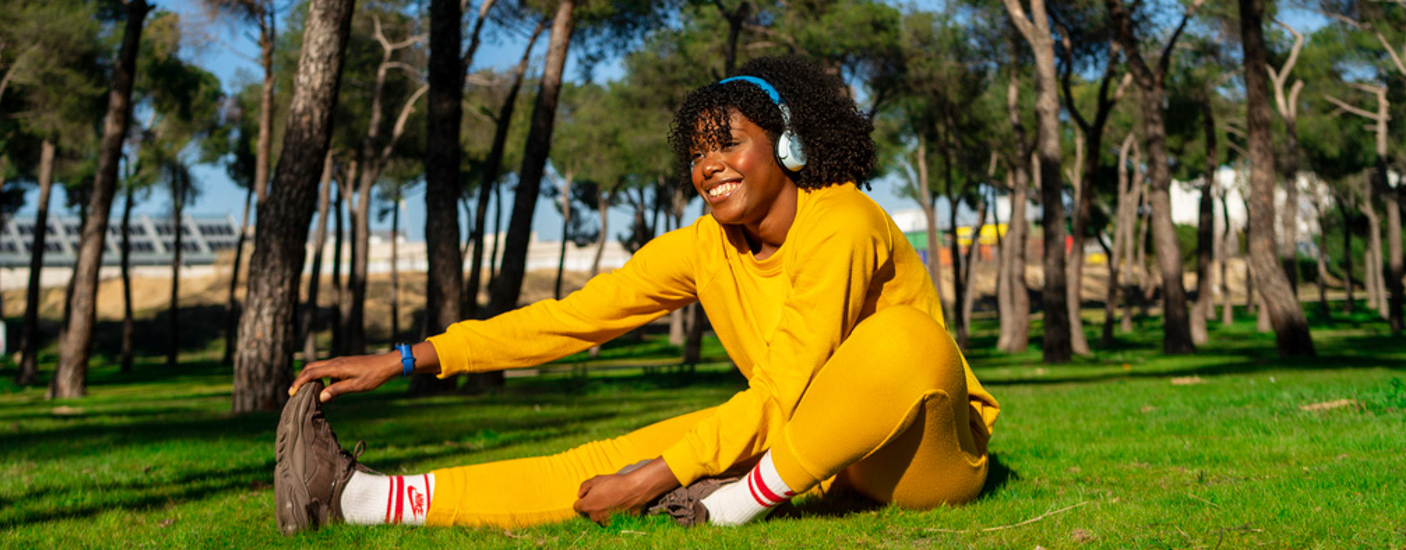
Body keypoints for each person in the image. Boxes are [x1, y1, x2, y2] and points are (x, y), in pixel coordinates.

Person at [273, 54, 1000, 534]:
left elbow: (783, 392)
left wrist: (669, 472)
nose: (710, 165)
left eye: (730, 143)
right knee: (601, 464)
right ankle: (363, 501)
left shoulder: (844, 220)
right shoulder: (701, 246)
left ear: (787, 147)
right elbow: (568, 322)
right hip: (801, 460)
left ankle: (728, 507)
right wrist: (408, 359)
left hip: (924, 459)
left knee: (904, 340)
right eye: (696, 152)